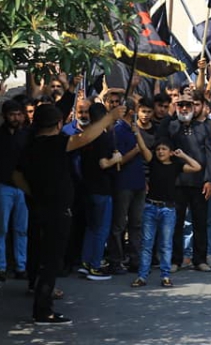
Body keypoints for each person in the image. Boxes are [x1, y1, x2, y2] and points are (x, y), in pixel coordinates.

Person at [14, 103, 123, 325]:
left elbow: (16, 175)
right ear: (58, 123)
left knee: (42, 255)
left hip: (39, 207)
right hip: (57, 210)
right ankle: (43, 311)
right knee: (52, 261)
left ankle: (41, 299)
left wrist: (34, 193)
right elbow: (84, 138)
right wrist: (109, 117)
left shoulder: (30, 145)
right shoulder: (56, 143)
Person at [157, 93, 211, 273]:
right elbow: (160, 142)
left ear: (194, 108)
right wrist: (171, 113)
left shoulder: (203, 128)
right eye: (181, 105)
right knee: (176, 223)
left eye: (188, 106)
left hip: (199, 183)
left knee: (200, 222)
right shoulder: (171, 126)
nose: (184, 109)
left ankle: (200, 260)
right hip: (177, 182)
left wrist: (209, 180)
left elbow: (210, 156)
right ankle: (176, 260)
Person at [132, 139, 202, 288]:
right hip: (150, 207)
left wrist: (182, 155)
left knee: (166, 244)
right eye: (158, 149)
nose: (160, 152)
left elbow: (197, 167)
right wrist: (136, 132)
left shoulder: (176, 165)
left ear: (171, 152)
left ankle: (165, 276)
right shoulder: (153, 162)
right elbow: (143, 148)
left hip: (168, 209)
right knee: (146, 244)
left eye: (164, 149)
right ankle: (142, 276)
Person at [79, 103, 123, 281]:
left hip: (88, 187)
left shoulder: (86, 136)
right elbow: (103, 163)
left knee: (91, 227)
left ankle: (85, 262)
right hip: (102, 189)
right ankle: (95, 266)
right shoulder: (102, 138)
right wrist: (116, 159)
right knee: (101, 229)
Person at [108, 99, 147, 275]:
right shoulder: (118, 131)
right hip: (123, 183)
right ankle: (115, 260)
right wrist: (135, 150)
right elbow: (119, 161)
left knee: (136, 223)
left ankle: (135, 259)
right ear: (131, 111)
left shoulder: (134, 130)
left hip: (138, 182)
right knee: (119, 224)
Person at [0, 100, 29, 281]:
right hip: (4, 186)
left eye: (19, 114)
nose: (16, 118)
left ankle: (21, 265)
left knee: (21, 229)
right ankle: (1, 266)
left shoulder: (26, 135)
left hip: (23, 188)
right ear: (5, 116)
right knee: (1, 229)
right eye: (12, 114)